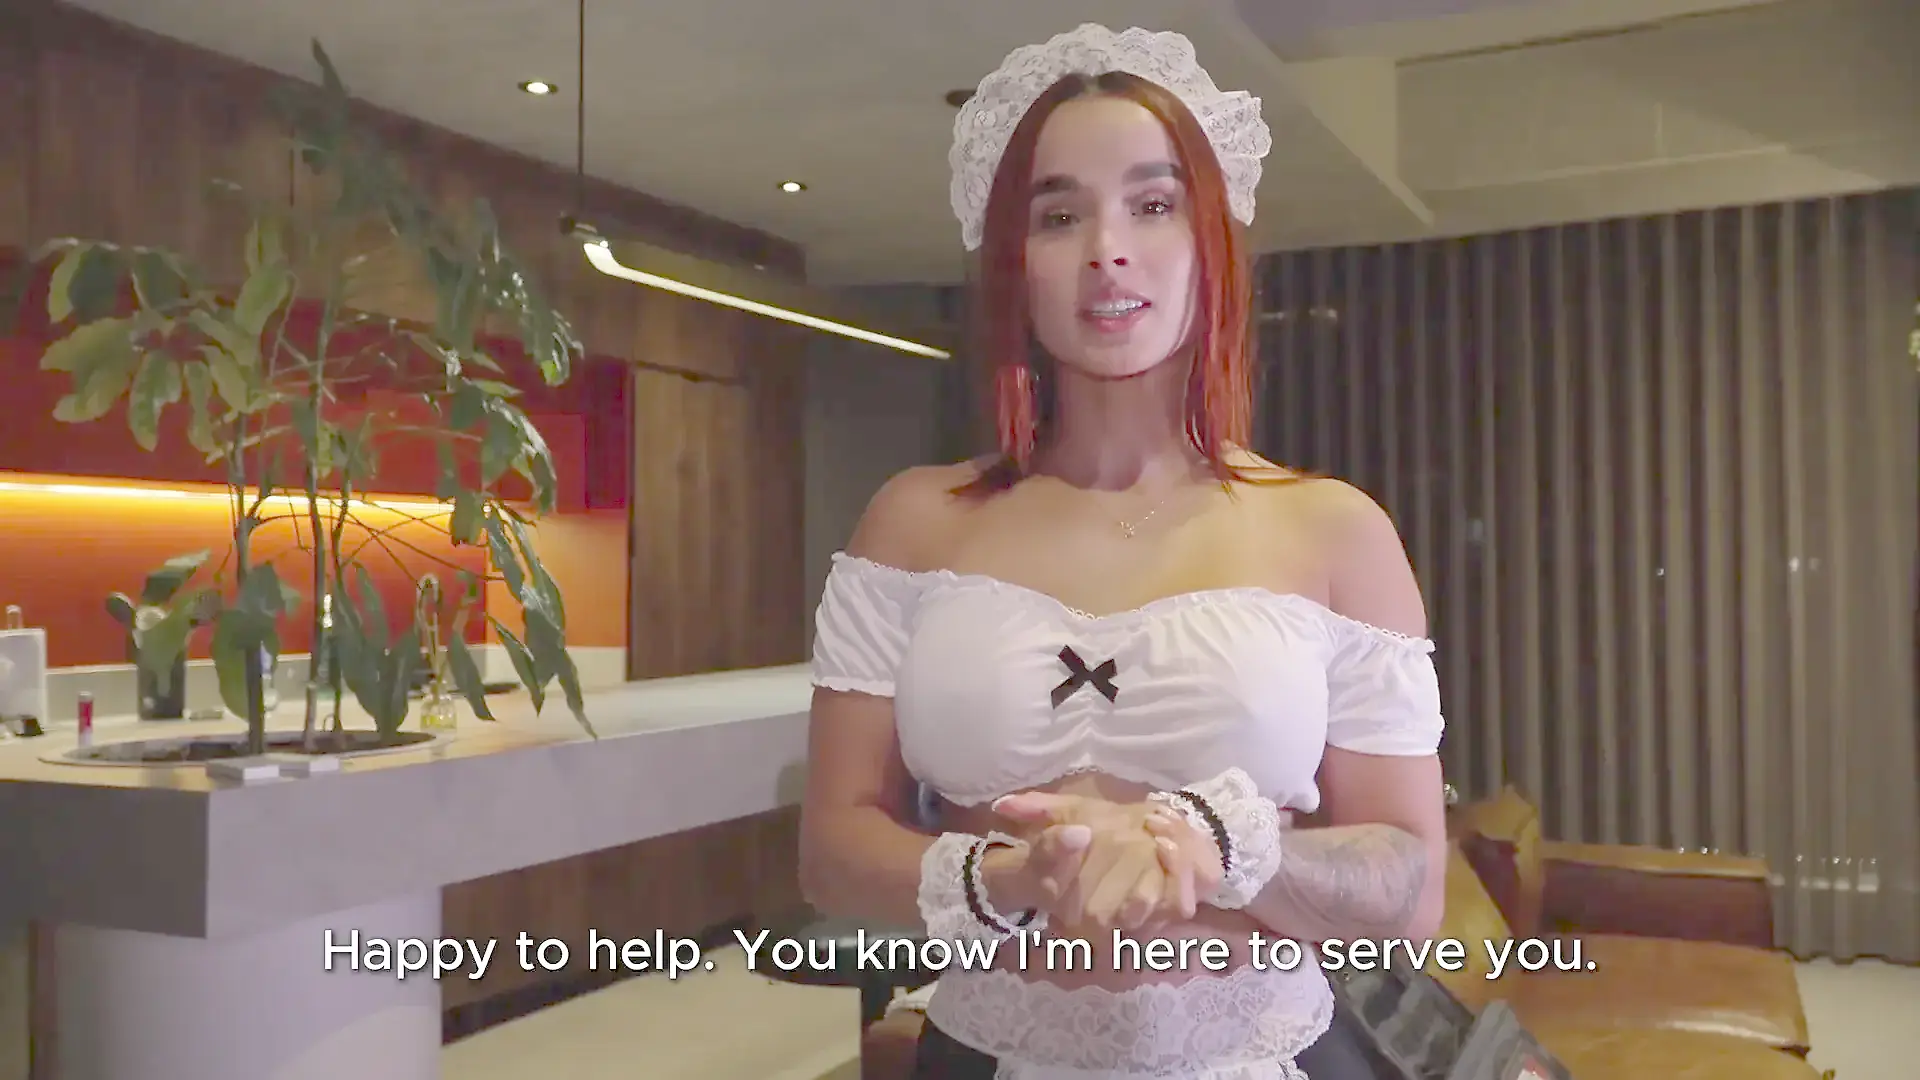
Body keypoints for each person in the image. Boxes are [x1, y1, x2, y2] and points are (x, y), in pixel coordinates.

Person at [800, 23, 1449, 1080]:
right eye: (1059, 215)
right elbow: (832, 849)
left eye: (1153, 204)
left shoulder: (1336, 531)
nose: (1108, 248)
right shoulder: (914, 523)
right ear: (1014, 263)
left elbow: (1411, 891)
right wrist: (1015, 878)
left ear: (1211, 241)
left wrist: (1220, 851)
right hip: (986, 1054)